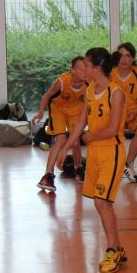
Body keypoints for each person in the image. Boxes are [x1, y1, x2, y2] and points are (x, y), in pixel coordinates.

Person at [59, 47, 129, 273]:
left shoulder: (115, 93)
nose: (85, 69)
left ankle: (112, 250)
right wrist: (66, 147)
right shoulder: (90, 90)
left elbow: (113, 128)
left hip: (112, 152)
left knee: (101, 202)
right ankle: (117, 248)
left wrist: (91, 137)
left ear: (97, 67)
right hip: (95, 154)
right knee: (102, 203)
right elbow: (82, 122)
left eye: (87, 65)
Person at [34, 56, 88, 192]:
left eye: (87, 68)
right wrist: (40, 113)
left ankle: (78, 168)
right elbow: (46, 96)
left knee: (75, 142)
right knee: (61, 140)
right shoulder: (62, 81)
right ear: (73, 70)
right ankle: (48, 175)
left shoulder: (89, 83)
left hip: (75, 109)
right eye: (82, 69)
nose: (85, 72)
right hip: (57, 109)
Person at [112, 42, 137, 184]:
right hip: (115, 111)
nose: (124, 59)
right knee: (108, 131)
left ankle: (128, 164)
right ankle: (110, 164)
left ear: (133, 58)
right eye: (121, 56)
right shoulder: (110, 73)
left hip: (134, 110)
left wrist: (134, 113)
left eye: (127, 56)